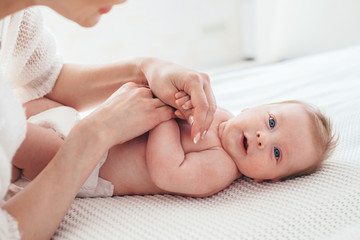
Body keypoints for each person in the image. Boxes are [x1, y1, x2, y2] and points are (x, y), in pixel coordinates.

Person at [0, 0, 216, 239]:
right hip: (79, 153)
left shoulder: (14, 14)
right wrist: (94, 135)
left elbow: (42, 81)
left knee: (34, 110)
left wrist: (147, 69)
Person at [13, 96, 337, 198]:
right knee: (32, 105)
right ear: (259, 106)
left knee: (20, 138)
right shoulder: (218, 112)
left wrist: (164, 117)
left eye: (277, 154)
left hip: (86, 165)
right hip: (83, 126)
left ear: (267, 180)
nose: (266, 139)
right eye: (271, 122)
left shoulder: (220, 168)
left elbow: (167, 172)